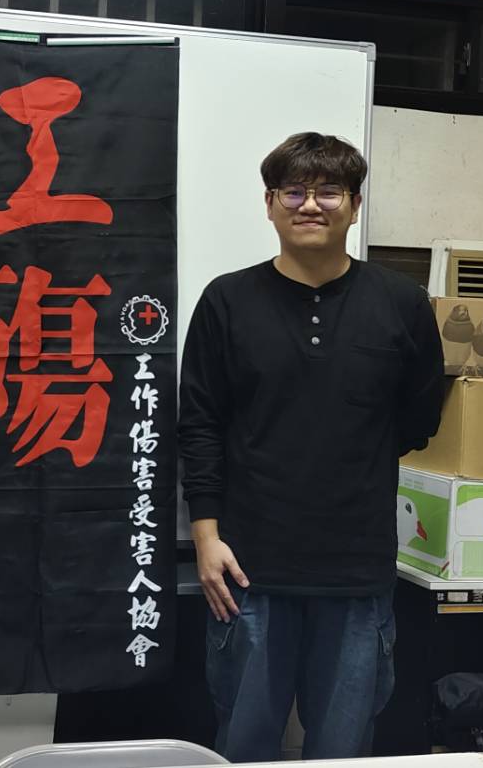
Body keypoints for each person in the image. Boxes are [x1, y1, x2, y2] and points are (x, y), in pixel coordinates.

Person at [179, 132, 445, 762]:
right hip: (247, 570)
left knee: (343, 750)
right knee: (244, 745)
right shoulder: (226, 300)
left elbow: (419, 420)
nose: (310, 205)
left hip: (357, 571)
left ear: (354, 206)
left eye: (329, 192)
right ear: (269, 203)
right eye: (293, 191)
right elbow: (200, 425)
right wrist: (206, 538)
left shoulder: (401, 304)